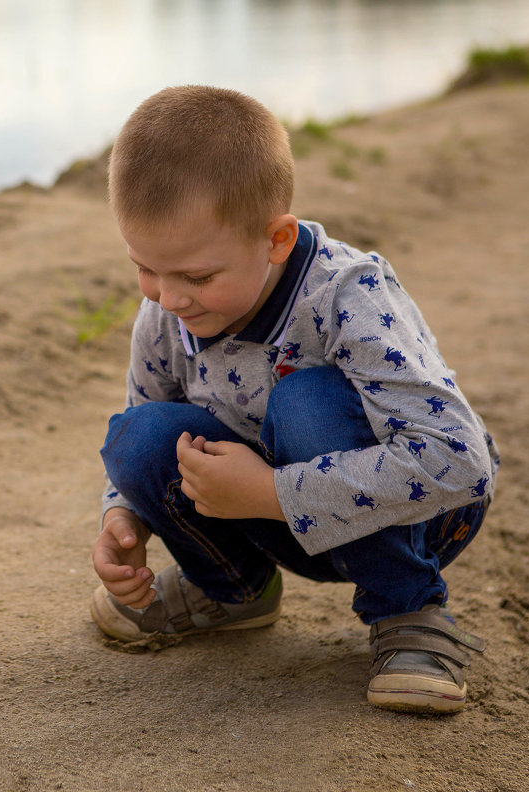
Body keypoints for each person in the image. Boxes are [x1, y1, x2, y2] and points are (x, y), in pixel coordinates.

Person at [90, 86, 498, 714]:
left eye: (196, 276)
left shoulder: (348, 296)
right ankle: (233, 592)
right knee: (138, 435)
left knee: (303, 402)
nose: (168, 298)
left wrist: (269, 493)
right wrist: (125, 519)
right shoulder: (165, 312)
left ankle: (409, 610)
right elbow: (146, 407)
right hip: (273, 520)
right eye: (145, 268)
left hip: (417, 519)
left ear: (277, 240)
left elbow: (459, 463)